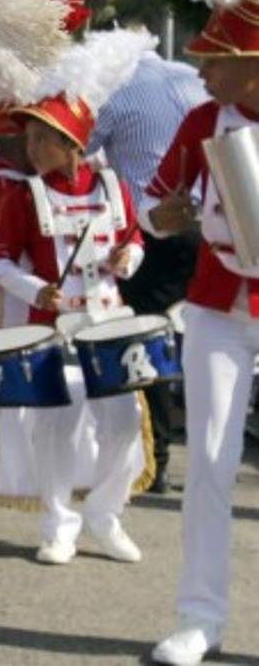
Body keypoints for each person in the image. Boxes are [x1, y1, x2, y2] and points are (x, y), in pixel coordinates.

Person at [0, 30, 150, 566]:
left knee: (123, 422)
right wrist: (40, 290)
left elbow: (134, 239)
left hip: (109, 323)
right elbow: (0, 263)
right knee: (57, 425)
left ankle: (106, 513)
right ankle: (58, 525)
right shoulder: (21, 194)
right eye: (29, 137)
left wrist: (129, 258)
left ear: (73, 144)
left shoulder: (114, 188)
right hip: (54, 328)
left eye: (42, 138)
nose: (30, 148)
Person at [147, 0, 259, 666]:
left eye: (215, 59)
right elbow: (153, 211)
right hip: (219, 308)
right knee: (211, 463)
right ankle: (199, 616)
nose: (202, 67)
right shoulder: (197, 124)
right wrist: (174, 214)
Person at [88, 38, 208, 494]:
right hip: (208, 229)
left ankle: (153, 460)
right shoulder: (190, 78)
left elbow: (77, 149)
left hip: (155, 232)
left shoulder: (118, 89)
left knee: (143, 342)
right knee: (203, 343)